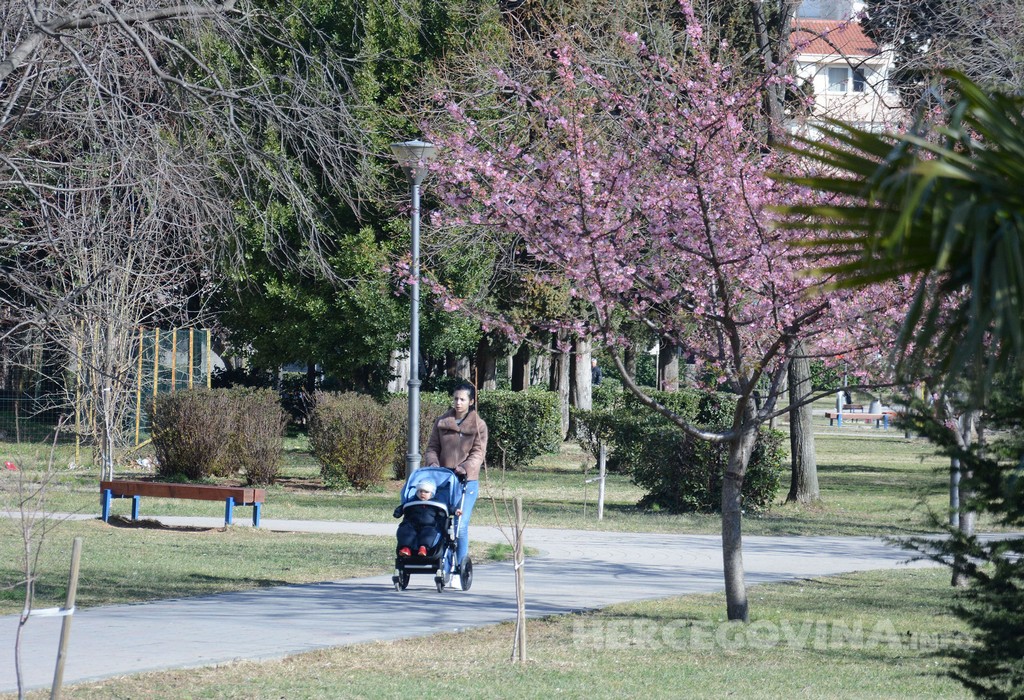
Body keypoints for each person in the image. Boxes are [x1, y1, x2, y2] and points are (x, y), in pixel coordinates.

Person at [423, 380, 487, 572]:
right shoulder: (442, 422)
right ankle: (444, 565)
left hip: (467, 482)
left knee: (460, 525)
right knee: (442, 522)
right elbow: (432, 447)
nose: (458, 402)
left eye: (462, 399)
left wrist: (465, 467)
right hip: (443, 480)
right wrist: (433, 463)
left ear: (471, 401)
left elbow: (478, 453)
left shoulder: (479, 425)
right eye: (455, 398)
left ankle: (460, 567)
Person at [393, 480, 445, 557]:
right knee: (404, 530)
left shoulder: (436, 504)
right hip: (411, 524)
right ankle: (406, 548)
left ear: (432, 494)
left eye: (426, 492)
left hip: (429, 525)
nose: (422, 493)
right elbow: (403, 507)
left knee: (429, 533)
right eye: (420, 491)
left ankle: (423, 548)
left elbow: (446, 508)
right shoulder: (412, 502)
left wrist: (454, 510)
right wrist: (398, 512)